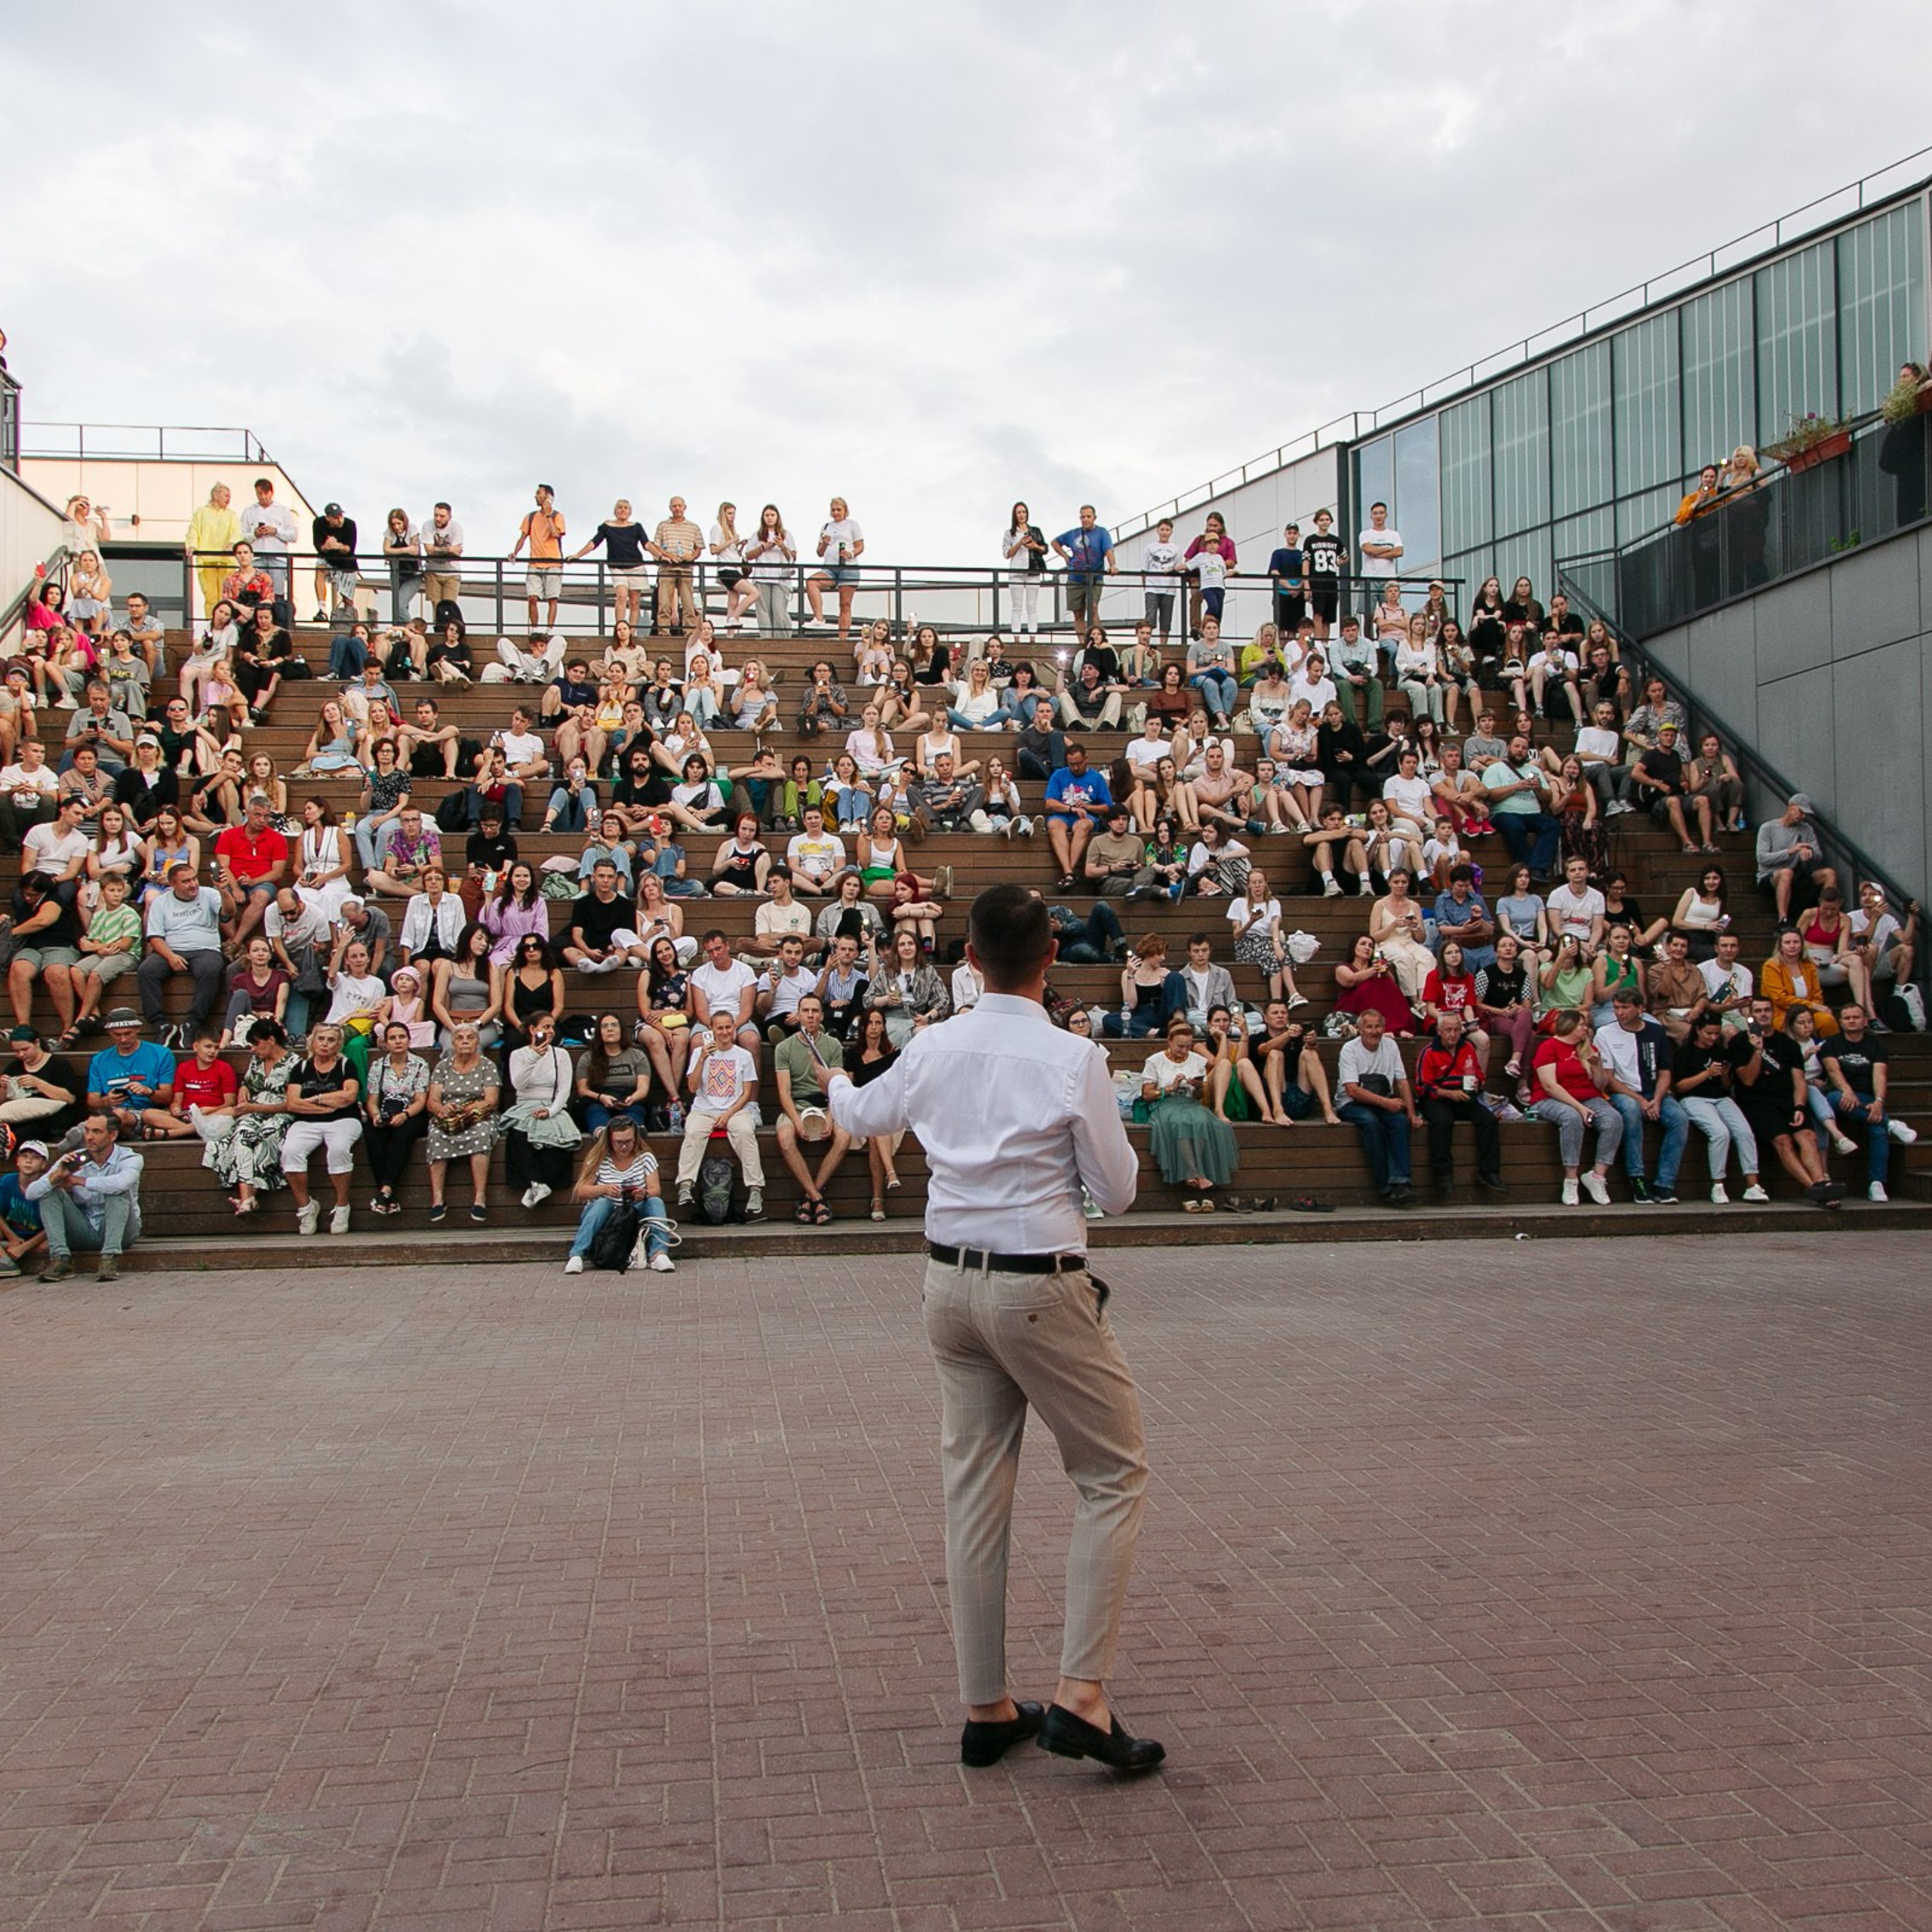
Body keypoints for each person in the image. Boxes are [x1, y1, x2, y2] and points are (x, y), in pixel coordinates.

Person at [823, 884, 1156, 1769]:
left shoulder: (933, 1043)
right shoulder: (1070, 1055)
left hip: (948, 1283)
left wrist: (823, 1076)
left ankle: (986, 1702)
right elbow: (1117, 1191)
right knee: (1112, 1472)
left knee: (973, 1488)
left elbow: (858, 1114)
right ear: (1052, 956)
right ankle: (1081, 1695)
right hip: (1036, 1283)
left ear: (965, 957)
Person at [1592, 987, 1689, 1204]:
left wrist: (1656, 1099)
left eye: (1625, 1008)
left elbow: (1665, 1072)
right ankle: (1637, 1178)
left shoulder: (1656, 1032)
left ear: (1640, 1009)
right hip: (1624, 1091)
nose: (1619, 1012)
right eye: (1616, 1008)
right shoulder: (1605, 1033)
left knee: (1680, 1119)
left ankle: (1665, 1183)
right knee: (1631, 1111)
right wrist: (1642, 1101)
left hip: (1653, 1091)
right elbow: (1609, 1079)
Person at [26, 1113, 143, 1281]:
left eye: (96, 1132)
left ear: (113, 1135)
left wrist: (78, 1181)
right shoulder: (75, 1159)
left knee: (117, 1191)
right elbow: (31, 1193)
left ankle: (109, 1260)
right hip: (84, 1228)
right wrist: (58, 1176)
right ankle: (61, 1260)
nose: (89, 1137)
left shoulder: (130, 1158)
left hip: (122, 1231)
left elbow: (121, 1183)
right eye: (87, 1131)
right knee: (49, 1191)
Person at [675, 1006, 765, 1219]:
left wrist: (729, 1113)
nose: (724, 1032)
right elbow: (692, 1087)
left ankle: (755, 1189)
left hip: (735, 1110)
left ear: (734, 1029)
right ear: (712, 1030)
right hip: (704, 1110)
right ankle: (685, 1185)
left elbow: (746, 1093)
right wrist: (702, 1060)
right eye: (720, 1028)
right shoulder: (700, 1052)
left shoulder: (743, 1055)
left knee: (745, 1133)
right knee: (694, 1133)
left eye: (728, 1027)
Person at [1672, 1013, 1770, 1204]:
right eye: (1709, 1033)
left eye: (1717, 1034)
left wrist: (1724, 1074)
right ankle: (1718, 1185)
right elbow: (1680, 1087)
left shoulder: (1719, 1051)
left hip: (1720, 1097)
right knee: (1720, 1133)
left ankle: (1752, 1185)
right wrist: (1706, 1073)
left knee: (1744, 1132)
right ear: (1698, 1030)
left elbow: (1725, 1086)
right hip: (1693, 1098)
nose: (1713, 1038)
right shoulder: (1685, 1052)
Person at [773, 995, 854, 1223]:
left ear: (822, 1015)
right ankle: (819, 1199)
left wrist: (831, 1116)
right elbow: (783, 1092)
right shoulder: (784, 1048)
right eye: (805, 1011)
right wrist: (797, 1121)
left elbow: (839, 1085)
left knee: (845, 1136)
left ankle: (810, 1197)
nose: (810, 1015)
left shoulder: (833, 1045)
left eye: (815, 1011)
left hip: (827, 1104)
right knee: (785, 1136)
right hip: (797, 1106)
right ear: (797, 1015)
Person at [1529, 1008, 1620, 1205]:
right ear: (1568, 1025)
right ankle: (1571, 1179)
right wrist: (1579, 1107)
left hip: (1588, 1096)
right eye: (1581, 1025)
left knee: (1614, 1120)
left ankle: (1597, 1176)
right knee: (1571, 1118)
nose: (1585, 1029)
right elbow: (1549, 1085)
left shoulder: (1588, 1048)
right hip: (1550, 1098)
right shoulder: (1549, 1047)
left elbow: (1601, 1085)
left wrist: (1597, 1066)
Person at [1819, 1004, 1909, 1203]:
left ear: (1864, 1021)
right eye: (1847, 1018)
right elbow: (1833, 1071)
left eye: (1856, 1017)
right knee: (1834, 1098)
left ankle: (1876, 1183)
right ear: (1840, 1022)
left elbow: (1880, 1075)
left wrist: (1878, 1101)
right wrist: (1847, 1091)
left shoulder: (1875, 1045)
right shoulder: (1832, 1044)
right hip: (1840, 1096)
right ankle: (1891, 1124)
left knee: (1877, 1131)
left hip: (1867, 1099)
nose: (1851, 1021)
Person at [281, 1023, 363, 1234]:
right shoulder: (300, 1068)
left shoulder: (347, 1065)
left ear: (338, 1045)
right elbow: (292, 1103)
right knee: (290, 1152)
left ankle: (342, 1206)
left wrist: (316, 1098)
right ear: (313, 1041)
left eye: (331, 1040)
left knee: (338, 1149)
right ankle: (306, 1207)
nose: (325, 1044)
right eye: (321, 1039)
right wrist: (324, 1108)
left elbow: (349, 1096)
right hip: (307, 1122)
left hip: (344, 1120)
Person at [565, 1116, 675, 1273]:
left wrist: (643, 1193)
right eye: (619, 1142)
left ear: (636, 1138)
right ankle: (577, 1255)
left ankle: (659, 1254)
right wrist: (604, 1189)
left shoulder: (645, 1157)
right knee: (603, 1203)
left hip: (632, 1212)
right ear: (610, 1140)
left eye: (628, 1141)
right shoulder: (599, 1158)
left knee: (655, 1201)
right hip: (606, 1214)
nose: (624, 1146)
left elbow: (655, 1189)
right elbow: (581, 1190)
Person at [1413, 1011, 1504, 1198]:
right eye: (1448, 1030)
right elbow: (1423, 1087)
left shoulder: (1468, 1049)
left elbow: (1479, 1074)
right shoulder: (1429, 1052)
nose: (1452, 1034)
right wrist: (1449, 1094)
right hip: (1438, 1098)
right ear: (1439, 1031)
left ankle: (1489, 1172)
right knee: (1442, 1122)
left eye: (1456, 1030)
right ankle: (1443, 1174)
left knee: (1488, 1120)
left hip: (1463, 1096)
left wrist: (1478, 1083)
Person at [1337, 1008, 1419, 1205]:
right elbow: (1352, 1090)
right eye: (1369, 1027)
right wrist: (1388, 1103)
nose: (1374, 1031)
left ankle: (1401, 1182)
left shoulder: (1391, 1046)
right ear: (1360, 1029)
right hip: (1351, 1105)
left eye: (1378, 1026)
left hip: (1383, 1102)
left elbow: (1402, 1080)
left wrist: (1411, 1113)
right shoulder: (1350, 1049)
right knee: (1370, 1122)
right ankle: (1385, 1186)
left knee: (1399, 1122)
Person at [1051, 506, 1116, 645]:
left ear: (1094, 518)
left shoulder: (1101, 533)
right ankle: (1083, 642)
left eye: (1088, 516)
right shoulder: (1074, 534)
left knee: (1093, 607)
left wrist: (1112, 565)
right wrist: (1066, 557)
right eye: (1083, 517)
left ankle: (1097, 640)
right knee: (1078, 613)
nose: (1086, 519)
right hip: (1075, 577)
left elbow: (1108, 550)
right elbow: (1055, 542)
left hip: (1094, 577)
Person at [510, 484, 567, 632]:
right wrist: (515, 552)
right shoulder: (530, 517)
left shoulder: (557, 516)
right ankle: (535, 629)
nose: (535, 496)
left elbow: (556, 534)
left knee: (552, 598)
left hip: (553, 562)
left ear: (547, 496)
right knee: (532, 598)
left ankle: (549, 629)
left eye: (538, 493)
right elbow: (523, 537)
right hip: (535, 562)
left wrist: (548, 515)